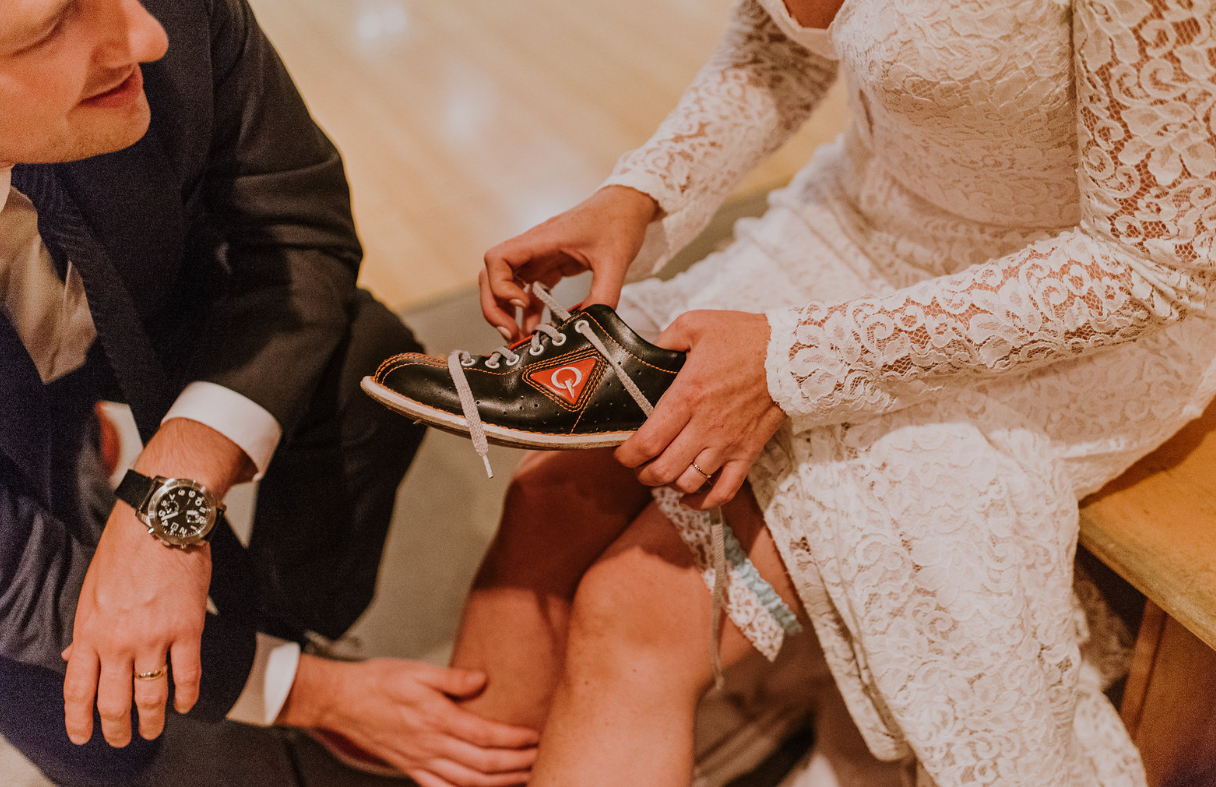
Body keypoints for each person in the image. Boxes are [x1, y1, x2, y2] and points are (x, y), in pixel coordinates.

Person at [436, 0, 1216, 783]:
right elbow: (784, 44)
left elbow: (1152, 264)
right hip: (857, 221)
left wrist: (796, 358)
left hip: (1061, 316)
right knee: (546, 499)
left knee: (635, 609)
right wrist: (638, 194)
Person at [0, 0, 537, 785]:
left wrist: (169, 497)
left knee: (365, 350)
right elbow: (13, 583)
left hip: (137, 316)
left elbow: (300, 222)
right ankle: (73, 458)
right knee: (98, 726)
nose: (144, 38)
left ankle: (289, 620)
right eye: (50, 28)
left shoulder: (167, 15)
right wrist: (312, 696)